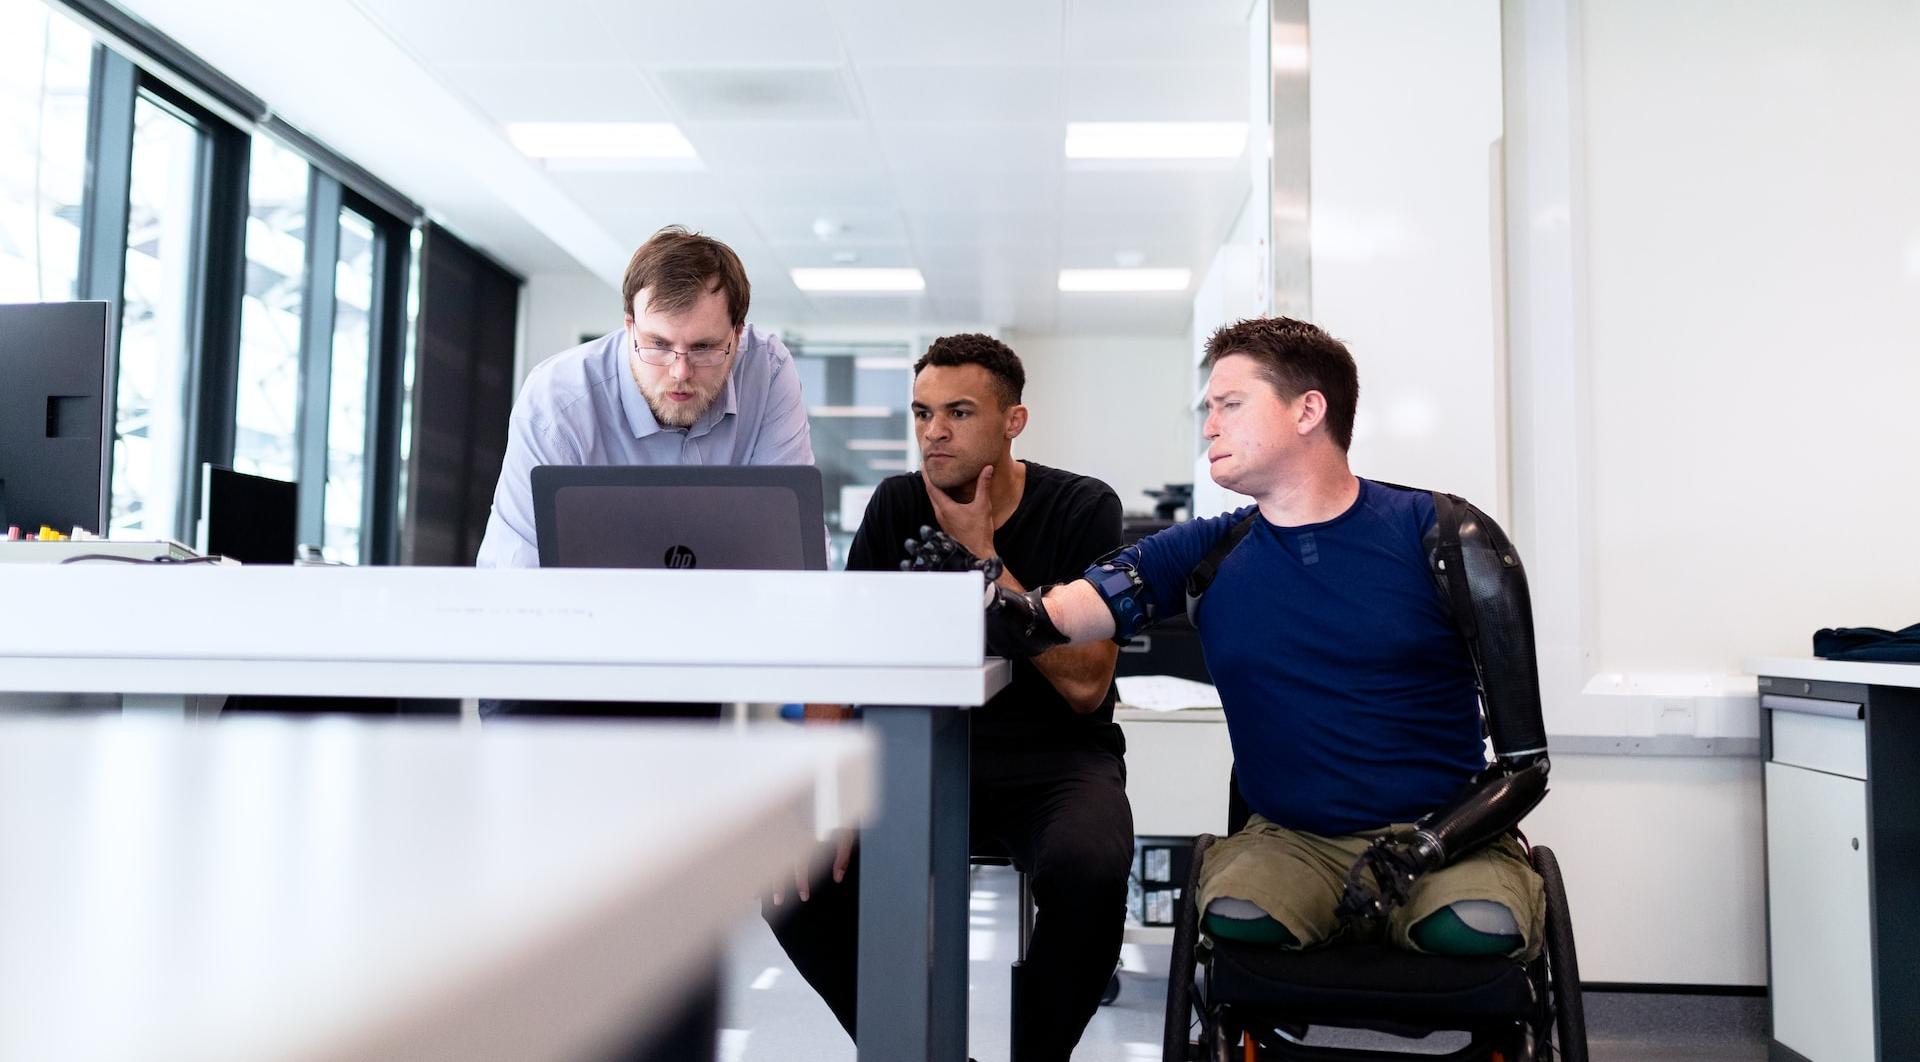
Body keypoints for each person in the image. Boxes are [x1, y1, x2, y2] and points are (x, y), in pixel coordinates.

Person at [954, 316, 1551, 961]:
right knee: (1239, 920)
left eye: (1230, 405)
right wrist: (988, 591)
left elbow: (1527, 767)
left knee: (1475, 929)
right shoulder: (1205, 551)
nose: (1210, 425)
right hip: (1292, 843)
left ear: (1308, 411)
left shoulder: (1448, 539)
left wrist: (1426, 846)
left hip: (1447, 840)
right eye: (1208, 409)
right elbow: (1053, 616)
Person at [765, 334, 1135, 1062]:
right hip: (917, 753)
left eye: (959, 412)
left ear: (1013, 421)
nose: (934, 431)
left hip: (1054, 762)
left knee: (1090, 865)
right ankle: (920, 1050)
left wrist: (985, 561)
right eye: (922, 412)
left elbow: (1088, 684)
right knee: (792, 877)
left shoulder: (1081, 506)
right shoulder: (898, 502)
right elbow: (843, 656)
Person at [475, 224, 813, 569]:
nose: (680, 372)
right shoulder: (557, 402)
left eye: (704, 348)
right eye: (659, 344)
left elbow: (791, 547)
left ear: (737, 336)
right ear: (629, 327)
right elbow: (516, 572)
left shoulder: (767, 370)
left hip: (734, 613)